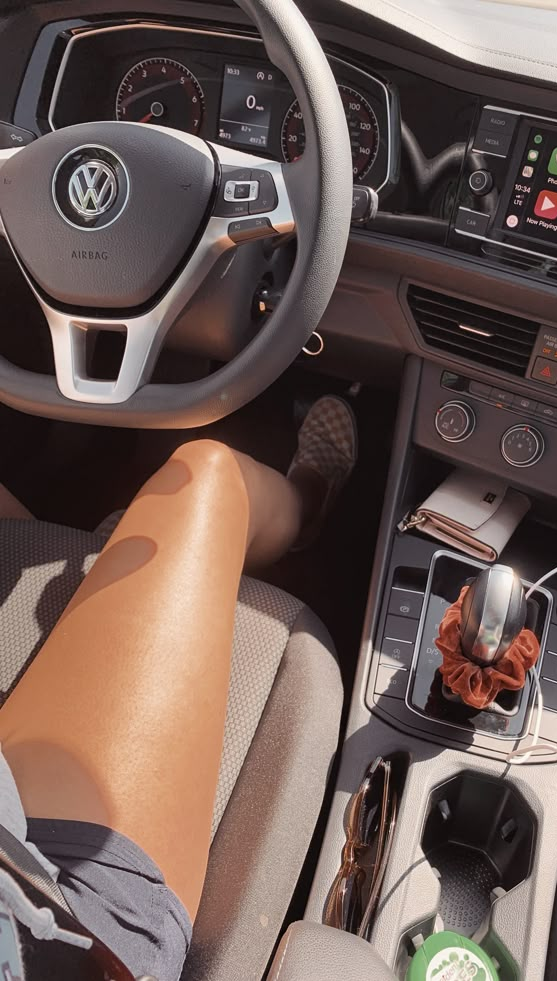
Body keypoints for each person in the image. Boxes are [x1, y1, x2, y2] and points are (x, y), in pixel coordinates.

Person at [0, 395, 358, 981]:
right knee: (206, 477)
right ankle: (306, 500)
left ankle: (111, 566)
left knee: (145, 538)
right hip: (58, 908)